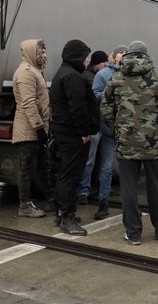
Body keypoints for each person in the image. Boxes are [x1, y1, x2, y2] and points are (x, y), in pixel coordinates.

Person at [101, 41, 158, 244]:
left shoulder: (116, 79)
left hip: (126, 144)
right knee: (157, 187)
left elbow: (106, 110)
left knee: (129, 189)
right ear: (146, 54)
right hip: (155, 144)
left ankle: (133, 233)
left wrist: (117, 131)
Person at [50, 39, 99, 235]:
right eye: (85, 57)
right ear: (77, 56)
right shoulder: (73, 77)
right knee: (71, 176)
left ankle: (62, 213)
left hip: (64, 133)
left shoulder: (61, 74)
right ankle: (68, 218)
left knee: (64, 174)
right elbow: (77, 109)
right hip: (73, 136)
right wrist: (84, 132)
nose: (86, 61)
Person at [12, 39, 54, 218]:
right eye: (41, 52)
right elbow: (28, 103)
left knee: (42, 165)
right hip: (28, 130)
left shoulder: (35, 71)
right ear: (31, 53)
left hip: (36, 129)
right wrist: (38, 128)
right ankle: (24, 205)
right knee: (26, 167)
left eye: (44, 51)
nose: (44, 55)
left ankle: (51, 198)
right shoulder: (25, 73)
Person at [91, 44, 128, 219]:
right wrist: (111, 94)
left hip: (129, 131)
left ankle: (129, 201)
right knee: (106, 167)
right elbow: (96, 94)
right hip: (109, 129)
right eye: (120, 52)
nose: (122, 55)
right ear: (113, 57)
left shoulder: (132, 75)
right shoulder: (103, 74)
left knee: (129, 167)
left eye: (125, 53)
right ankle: (103, 202)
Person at [75, 50, 110, 204]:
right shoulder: (89, 77)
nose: (106, 66)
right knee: (90, 160)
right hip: (95, 124)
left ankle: (92, 189)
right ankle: (83, 191)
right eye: (103, 63)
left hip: (100, 123)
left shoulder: (92, 75)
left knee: (96, 160)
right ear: (97, 63)